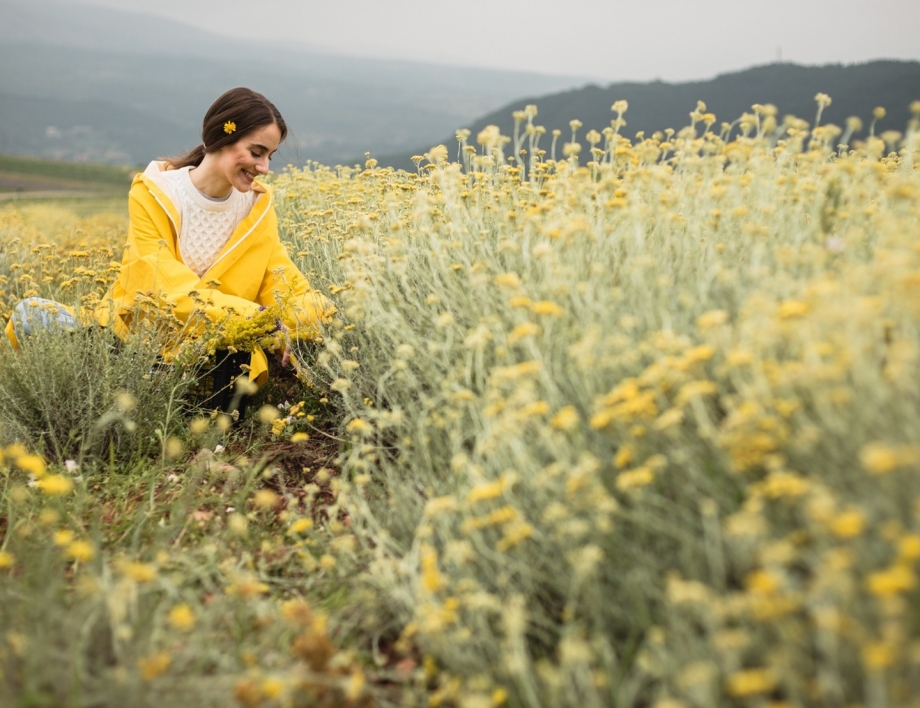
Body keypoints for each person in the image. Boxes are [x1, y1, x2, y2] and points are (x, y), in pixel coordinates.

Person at [5, 87, 333, 385]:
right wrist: (258, 320)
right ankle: (131, 378)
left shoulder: (257, 208)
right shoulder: (155, 193)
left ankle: (130, 383)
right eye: (257, 152)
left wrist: (315, 315)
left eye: (269, 156)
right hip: (134, 341)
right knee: (30, 313)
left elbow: (286, 286)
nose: (264, 168)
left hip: (214, 352)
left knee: (235, 363)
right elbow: (162, 287)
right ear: (222, 137)